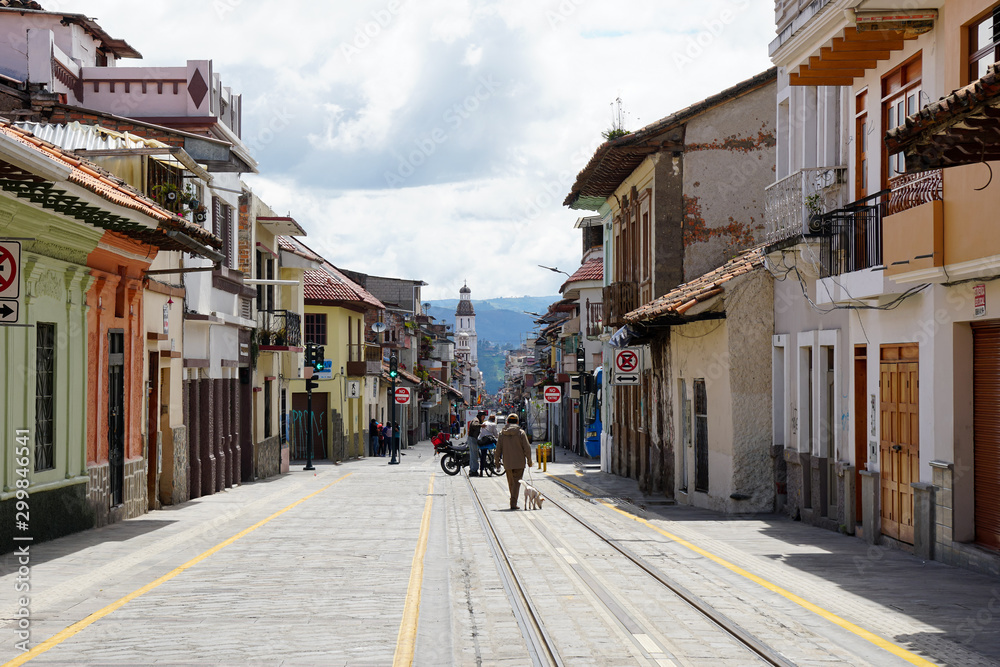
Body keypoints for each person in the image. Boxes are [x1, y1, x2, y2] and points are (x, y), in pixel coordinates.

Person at [495, 414, 532, 510]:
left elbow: (498, 449)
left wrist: (497, 462)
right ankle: (513, 502)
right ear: (517, 422)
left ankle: (513, 501)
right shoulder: (521, 433)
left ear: (507, 422)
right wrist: (529, 460)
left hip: (508, 462)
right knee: (517, 483)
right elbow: (527, 448)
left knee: (511, 483)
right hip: (519, 462)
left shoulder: (502, 433)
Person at [467, 412, 483, 477]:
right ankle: (474, 471)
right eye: (483, 416)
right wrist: (481, 425)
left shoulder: (476, 419)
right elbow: (474, 425)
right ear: (480, 416)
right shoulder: (476, 420)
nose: (484, 418)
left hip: (472, 438)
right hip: (473, 439)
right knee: (474, 455)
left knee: (473, 455)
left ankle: (472, 470)